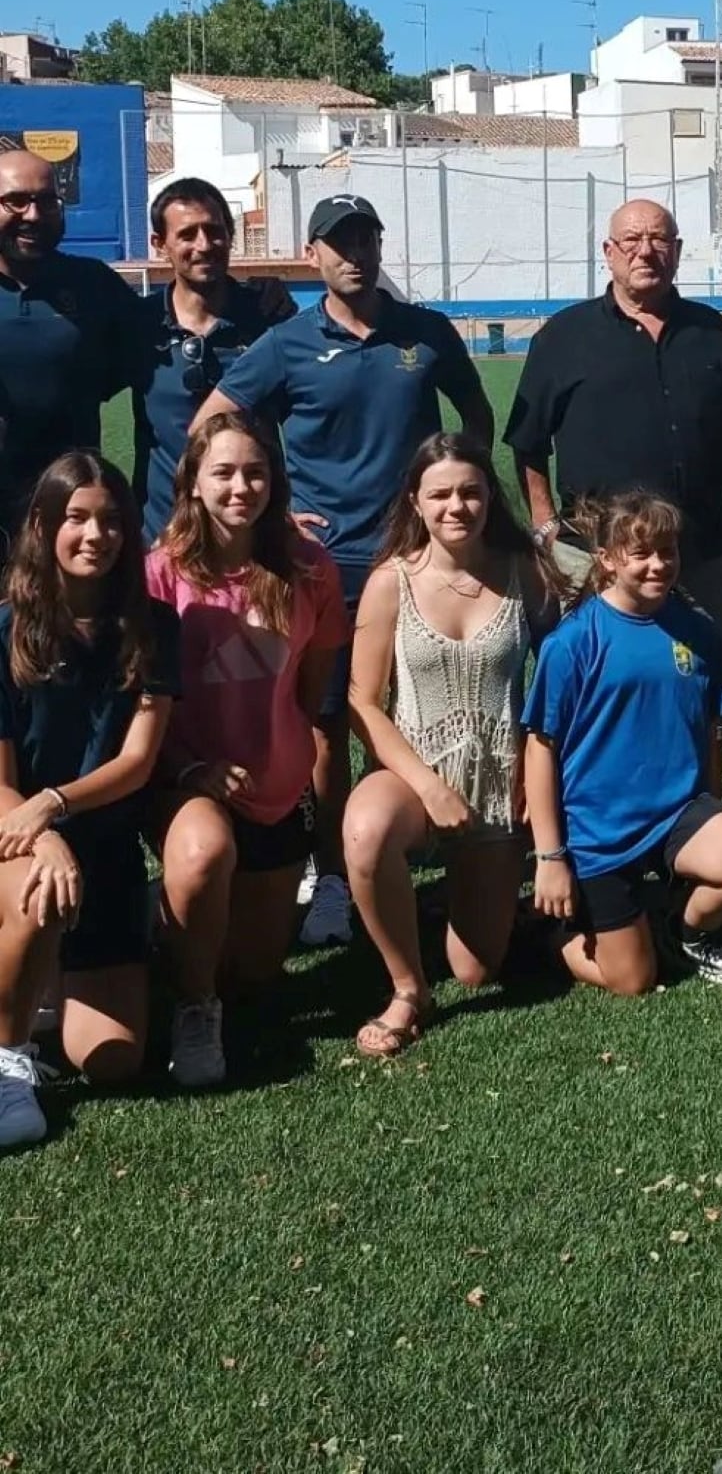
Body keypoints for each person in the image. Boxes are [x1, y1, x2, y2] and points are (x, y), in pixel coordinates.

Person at [192, 193, 493, 950]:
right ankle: (331, 874)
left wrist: (465, 485)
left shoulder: (424, 333)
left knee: (435, 706)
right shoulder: (289, 342)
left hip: (422, 561)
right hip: (329, 567)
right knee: (328, 721)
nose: (354, 253)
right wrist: (274, 511)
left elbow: (476, 412)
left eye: (366, 237)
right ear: (314, 252)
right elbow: (213, 427)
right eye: (338, 241)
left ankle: (444, 846)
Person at [145, 412, 348, 1087]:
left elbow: (309, 689)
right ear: (194, 482)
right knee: (203, 854)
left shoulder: (309, 568)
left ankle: (168, 915)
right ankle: (194, 1008)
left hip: (276, 793)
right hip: (187, 785)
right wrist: (187, 770)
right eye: (224, 472)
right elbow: (138, 707)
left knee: (254, 975)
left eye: (255, 471)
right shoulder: (159, 574)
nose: (241, 486)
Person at [343, 434, 561, 1056]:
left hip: (497, 786)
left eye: (470, 491)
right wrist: (428, 786)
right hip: (414, 778)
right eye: (439, 494)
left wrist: (535, 762)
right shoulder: (392, 582)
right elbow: (363, 701)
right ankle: (408, 989)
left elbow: (563, 668)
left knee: (476, 969)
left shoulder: (525, 572)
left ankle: (442, 898)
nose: (456, 507)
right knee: (367, 829)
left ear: (491, 495)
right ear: (415, 501)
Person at [523, 491, 722, 995]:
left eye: (668, 552)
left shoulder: (698, 631)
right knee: (633, 980)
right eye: (640, 554)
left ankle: (685, 930)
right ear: (607, 560)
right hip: (599, 829)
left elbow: (712, 732)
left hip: (677, 816)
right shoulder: (572, 642)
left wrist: (711, 802)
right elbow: (541, 747)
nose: (658, 565)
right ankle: (549, 935)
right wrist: (550, 857)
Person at [0, 453, 180, 1148]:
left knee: (114, 1059)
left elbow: (137, 761)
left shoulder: (154, 626)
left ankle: (48, 981)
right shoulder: (7, 626)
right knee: (43, 888)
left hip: (102, 850)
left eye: (111, 520)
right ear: (42, 525)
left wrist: (57, 806)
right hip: (18, 842)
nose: (94, 534)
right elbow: (4, 784)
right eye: (76, 517)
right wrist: (43, 830)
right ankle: (11, 1059)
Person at [503, 198, 722, 645]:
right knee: (596, 691)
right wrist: (545, 525)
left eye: (659, 240)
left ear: (677, 249)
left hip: (699, 558)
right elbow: (528, 442)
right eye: (632, 240)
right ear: (609, 252)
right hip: (598, 560)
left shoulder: (715, 335)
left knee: (707, 693)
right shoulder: (563, 338)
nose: (645, 251)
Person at [133, 177, 295, 540]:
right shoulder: (137, 325)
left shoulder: (269, 316)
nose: (204, 245)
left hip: (256, 535)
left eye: (215, 231)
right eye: (187, 234)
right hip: (164, 537)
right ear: (160, 245)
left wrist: (305, 504)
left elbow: (313, 416)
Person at [0, 150, 148, 533]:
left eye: (47, 201)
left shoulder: (93, 284)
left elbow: (168, 328)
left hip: (73, 516)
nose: (33, 215)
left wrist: (254, 299)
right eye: (16, 200)